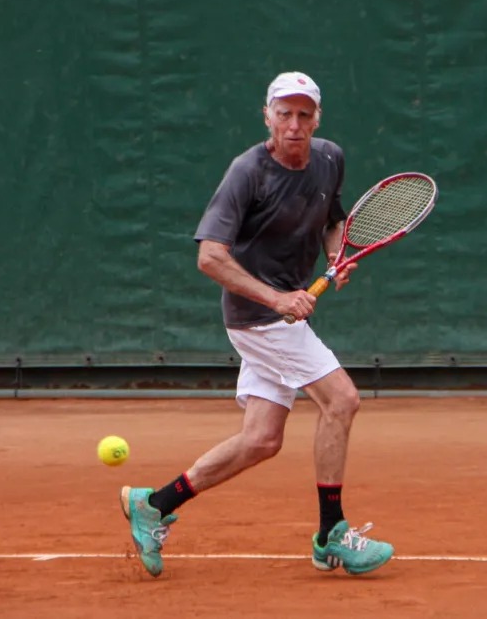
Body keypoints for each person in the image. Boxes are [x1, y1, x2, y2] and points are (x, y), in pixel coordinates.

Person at [119, 71, 393, 577]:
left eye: (303, 114)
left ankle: (153, 504)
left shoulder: (329, 157)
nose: (294, 124)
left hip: (280, 313)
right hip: (257, 318)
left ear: (317, 118)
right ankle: (331, 532)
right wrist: (277, 299)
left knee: (262, 439)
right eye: (283, 114)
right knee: (343, 400)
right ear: (266, 116)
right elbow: (209, 257)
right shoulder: (247, 171)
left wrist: (336, 255)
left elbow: (333, 218)